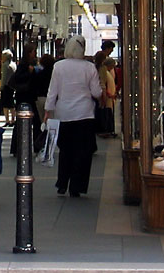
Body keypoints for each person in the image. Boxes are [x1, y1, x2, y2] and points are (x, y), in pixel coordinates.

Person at [44, 34, 104, 197]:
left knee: (66, 150)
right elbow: (96, 92)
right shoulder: (89, 67)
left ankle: (62, 182)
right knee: (82, 152)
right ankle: (77, 186)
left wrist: (48, 111)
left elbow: (52, 91)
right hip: (84, 114)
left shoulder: (59, 67)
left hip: (64, 114)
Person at [99, 56, 119, 138]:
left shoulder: (107, 72)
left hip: (109, 97)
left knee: (109, 113)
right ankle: (106, 130)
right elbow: (103, 85)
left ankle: (109, 130)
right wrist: (108, 94)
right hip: (107, 98)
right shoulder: (105, 73)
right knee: (107, 114)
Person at [0, 49, 17, 127]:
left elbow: (4, 77)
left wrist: (0, 88)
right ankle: (13, 119)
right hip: (12, 86)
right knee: (11, 104)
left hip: (6, 87)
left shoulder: (5, 65)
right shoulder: (13, 64)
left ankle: (7, 120)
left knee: (5, 104)